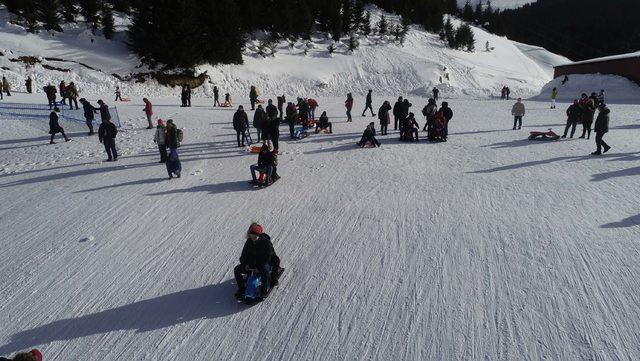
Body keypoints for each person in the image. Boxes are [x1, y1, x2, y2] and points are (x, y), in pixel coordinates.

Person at [233, 223, 281, 298]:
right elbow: (243, 256)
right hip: (251, 265)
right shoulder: (248, 242)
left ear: (259, 236)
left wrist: (258, 268)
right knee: (237, 269)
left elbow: (267, 257)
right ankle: (242, 289)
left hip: (262, 264)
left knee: (265, 271)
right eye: (251, 235)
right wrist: (246, 265)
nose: (253, 237)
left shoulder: (266, 243)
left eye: (255, 236)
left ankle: (264, 291)